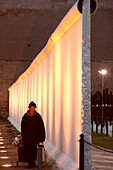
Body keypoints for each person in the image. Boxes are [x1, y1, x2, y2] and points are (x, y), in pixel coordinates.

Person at [21, 101, 46, 169]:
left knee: (33, 150)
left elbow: (41, 127)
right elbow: (23, 126)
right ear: (29, 108)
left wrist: (41, 137)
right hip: (27, 137)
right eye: (31, 108)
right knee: (27, 150)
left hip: (35, 137)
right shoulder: (25, 116)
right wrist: (23, 135)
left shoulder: (37, 116)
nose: (32, 109)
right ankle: (30, 162)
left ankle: (32, 161)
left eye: (33, 108)